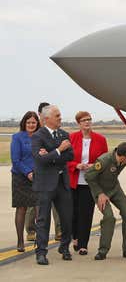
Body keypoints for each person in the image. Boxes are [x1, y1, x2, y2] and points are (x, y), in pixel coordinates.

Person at [31, 105, 74, 265]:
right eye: (57, 116)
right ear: (47, 118)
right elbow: (39, 159)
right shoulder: (38, 136)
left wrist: (51, 154)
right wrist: (59, 150)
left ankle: (64, 247)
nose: (60, 118)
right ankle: (41, 252)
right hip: (45, 184)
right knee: (43, 220)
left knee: (67, 218)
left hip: (62, 184)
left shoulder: (64, 134)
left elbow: (70, 155)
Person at [68, 111, 107, 255]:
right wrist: (76, 165)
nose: (87, 122)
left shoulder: (100, 139)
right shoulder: (71, 138)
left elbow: (104, 160)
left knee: (86, 213)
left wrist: (94, 166)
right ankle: (75, 237)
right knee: (73, 213)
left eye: (89, 119)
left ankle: (84, 244)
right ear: (78, 123)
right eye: (84, 120)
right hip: (73, 181)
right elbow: (65, 159)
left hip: (90, 182)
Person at [26, 102, 63, 242]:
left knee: (55, 204)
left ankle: (59, 230)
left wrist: (50, 153)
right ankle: (31, 230)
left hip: (52, 171)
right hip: (36, 171)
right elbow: (36, 154)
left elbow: (57, 150)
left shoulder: (54, 130)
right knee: (33, 203)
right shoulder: (36, 131)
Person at [10, 111, 40, 252]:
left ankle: (41, 239)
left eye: (33, 122)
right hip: (20, 177)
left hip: (38, 176)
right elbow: (15, 160)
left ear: (37, 123)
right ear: (24, 123)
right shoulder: (17, 137)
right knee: (21, 208)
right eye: (28, 122)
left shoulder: (41, 137)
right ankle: (20, 241)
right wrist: (28, 172)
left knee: (39, 207)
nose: (31, 125)